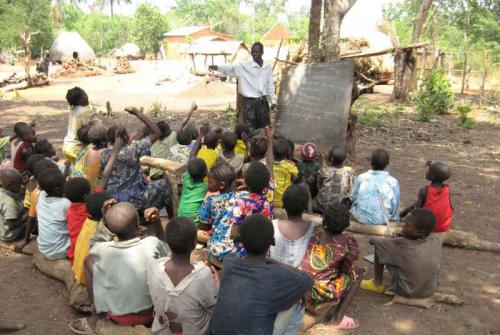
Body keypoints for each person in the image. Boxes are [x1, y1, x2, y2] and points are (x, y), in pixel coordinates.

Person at [206, 213, 313, 335]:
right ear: (271, 242)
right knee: (296, 300)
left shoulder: (230, 262)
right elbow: (308, 279)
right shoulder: (277, 274)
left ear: (242, 241)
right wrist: (270, 260)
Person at [84, 202, 169, 326]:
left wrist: (104, 218)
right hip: (150, 315)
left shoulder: (102, 249)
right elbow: (165, 250)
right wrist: (157, 223)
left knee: (88, 261)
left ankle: (95, 310)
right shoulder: (151, 243)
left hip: (117, 316)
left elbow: (96, 240)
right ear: (138, 225)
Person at [300, 200, 364, 331]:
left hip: (301, 286)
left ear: (324, 220)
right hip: (319, 293)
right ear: (346, 224)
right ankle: (337, 318)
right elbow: (346, 270)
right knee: (358, 273)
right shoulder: (348, 244)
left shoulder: (314, 231)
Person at [148, 217, 218, 334]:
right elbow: (213, 307)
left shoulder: (153, 267)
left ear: (168, 244)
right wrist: (217, 285)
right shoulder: (203, 274)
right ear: (194, 244)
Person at [100, 107, 171, 213]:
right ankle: (170, 216)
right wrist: (138, 113)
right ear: (125, 137)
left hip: (114, 201)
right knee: (164, 184)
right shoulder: (134, 148)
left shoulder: (104, 154)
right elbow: (157, 132)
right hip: (134, 200)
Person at [361, 208, 442, 299]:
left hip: (408, 292)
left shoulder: (401, 244)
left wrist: (390, 239)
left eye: (407, 225)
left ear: (419, 232)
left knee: (380, 246)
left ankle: (377, 284)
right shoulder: (436, 239)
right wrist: (402, 236)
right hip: (430, 290)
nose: (403, 227)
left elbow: (373, 241)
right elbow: (413, 242)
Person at [269, 185, 315, 335]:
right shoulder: (313, 228)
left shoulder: (272, 225)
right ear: (305, 207)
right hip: (298, 287)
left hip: (273, 283)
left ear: (284, 205)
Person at [209, 42, 277, 131]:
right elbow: (231, 67)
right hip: (249, 104)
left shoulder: (267, 68)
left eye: (256, 52)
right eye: (252, 52)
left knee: (264, 129)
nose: (254, 54)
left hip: (263, 103)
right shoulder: (244, 66)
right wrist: (217, 67)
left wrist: (273, 102)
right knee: (249, 129)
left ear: (262, 52)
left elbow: (270, 86)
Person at [13, 159, 60, 252]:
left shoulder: (36, 192)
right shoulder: (61, 195)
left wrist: (26, 239)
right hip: (48, 231)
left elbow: (31, 217)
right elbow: (31, 217)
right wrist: (25, 239)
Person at [230, 161, 274, 256]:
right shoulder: (269, 201)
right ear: (267, 183)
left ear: (246, 182)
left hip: (245, 251)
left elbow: (234, 233)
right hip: (263, 251)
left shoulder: (241, 202)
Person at [198, 162, 238, 265]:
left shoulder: (210, 201)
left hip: (217, 252)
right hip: (236, 251)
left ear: (221, 185)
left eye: (210, 182)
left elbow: (203, 226)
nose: (208, 185)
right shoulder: (242, 198)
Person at [72, 191, 113, 285]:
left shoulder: (88, 221)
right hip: (88, 278)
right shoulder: (101, 230)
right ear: (105, 210)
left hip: (78, 271)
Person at [350, 149, 400, 225]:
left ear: (371, 162)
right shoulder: (393, 182)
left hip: (359, 217)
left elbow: (353, 198)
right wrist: (394, 218)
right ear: (387, 164)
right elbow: (395, 204)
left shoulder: (361, 178)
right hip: (381, 220)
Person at [401, 161, 453, 233]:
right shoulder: (447, 190)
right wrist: (402, 213)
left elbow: (416, 210)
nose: (427, 171)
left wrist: (406, 219)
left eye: (429, 170)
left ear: (432, 176)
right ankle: (401, 214)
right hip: (443, 227)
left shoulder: (424, 191)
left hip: (427, 229)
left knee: (411, 220)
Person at [36, 169, 71, 260]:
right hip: (60, 251)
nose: (67, 183)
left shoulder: (41, 196)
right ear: (58, 190)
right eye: (65, 182)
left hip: (44, 248)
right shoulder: (65, 204)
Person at [316, 146, 355, 213]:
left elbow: (319, 186)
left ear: (331, 158)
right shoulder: (349, 171)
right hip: (342, 208)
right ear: (344, 159)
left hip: (324, 207)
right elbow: (352, 187)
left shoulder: (323, 171)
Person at [63, 87, 97, 163]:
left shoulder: (73, 109)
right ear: (81, 98)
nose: (87, 96)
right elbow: (91, 129)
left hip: (67, 145)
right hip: (77, 147)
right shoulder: (84, 111)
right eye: (85, 94)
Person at [64, 177, 91, 265]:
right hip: (86, 255)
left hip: (74, 255)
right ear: (86, 196)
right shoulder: (88, 210)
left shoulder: (69, 210)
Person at [75, 123, 108, 190]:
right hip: (97, 191)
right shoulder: (105, 153)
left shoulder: (89, 150)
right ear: (104, 142)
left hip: (89, 187)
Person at [178, 158, 208, 226]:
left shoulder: (186, 181)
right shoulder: (205, 188)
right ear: (206, 172)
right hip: (193, 223)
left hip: (180, 217)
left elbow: (191, 162)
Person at [0, 169, 27, 242]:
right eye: (19, 185)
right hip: (10, 235)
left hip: (2, 228)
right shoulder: (9, 203)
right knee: (32, 224)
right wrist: (26, 216)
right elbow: (11, 225)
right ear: (9, 185)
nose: (22, 187)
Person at [272, 138, 298, 208]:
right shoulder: (290, 167)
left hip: (271, 199)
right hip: (284, 200)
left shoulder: (269, 164)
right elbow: (295, 177)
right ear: (287, 154)